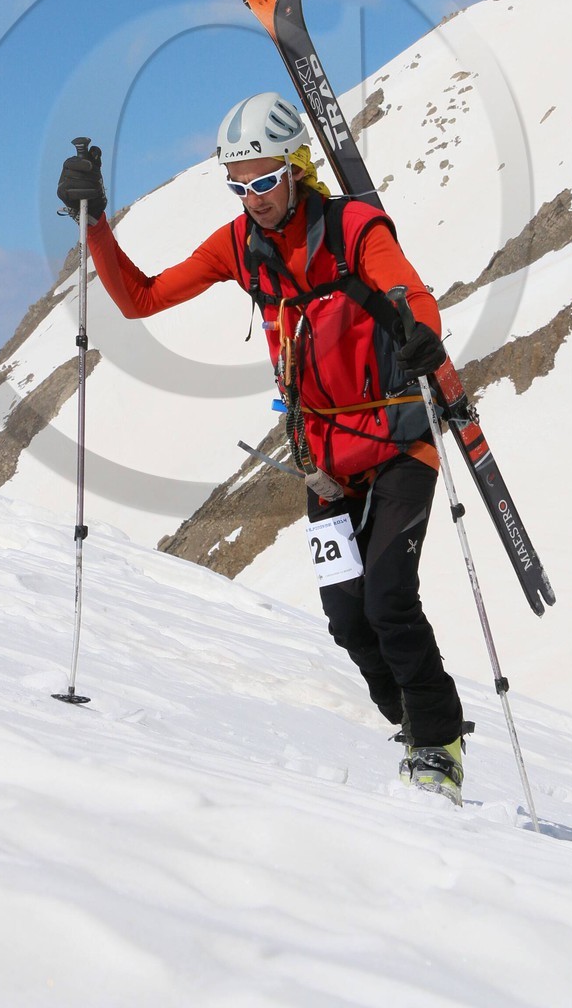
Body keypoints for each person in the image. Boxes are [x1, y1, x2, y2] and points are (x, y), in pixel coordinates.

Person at [56, 92, 467, 803]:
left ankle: (439, 747)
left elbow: (407, 289)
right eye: (239, 185)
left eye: (266, 180)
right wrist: (92, 225)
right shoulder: (237, 245)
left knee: (389, 598)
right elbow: (140, 298)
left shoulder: (354, 225)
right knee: (347, 618)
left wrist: (421, 333)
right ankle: (411, 724)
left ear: (297, 167)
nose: (254, 198)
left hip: (398, 437)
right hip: (323, 458)